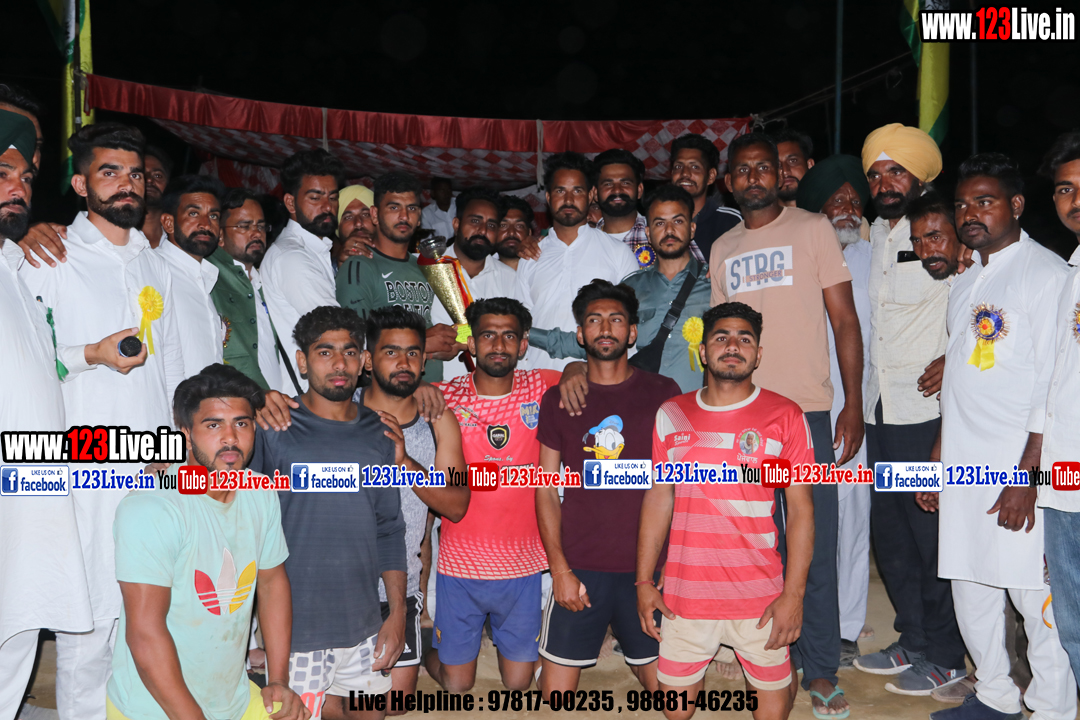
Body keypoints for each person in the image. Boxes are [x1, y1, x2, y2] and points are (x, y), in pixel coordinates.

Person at [20, 122, 186, 720]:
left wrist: (176, 455)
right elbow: (25, 361)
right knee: (87, 621)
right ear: (80, 183)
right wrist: (89, 355)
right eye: (109, 172)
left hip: (154, 465)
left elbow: (169, 367)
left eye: (135, 173)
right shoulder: (50, 256)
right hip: (84, 460)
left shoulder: (155, 264)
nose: (126, 184)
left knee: (146, 614)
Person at [710, 131, 863, 717]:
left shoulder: (813, 228)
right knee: (754, 543)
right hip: (742, 417)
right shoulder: (722, 248)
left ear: (779, 174)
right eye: (743, 170)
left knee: (812, 543)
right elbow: (721, 339)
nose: (754, 177)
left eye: (763, 167)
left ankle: (821, 666)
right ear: (730, 182)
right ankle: (768, 655)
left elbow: (844, 320)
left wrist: (851, 402)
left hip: (806, 413)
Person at [918, 154, 1075, 720]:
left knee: (1034, 594)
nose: (970, 214)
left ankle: (1053, 707)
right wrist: (939, 458)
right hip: (965, 464)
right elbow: (960, 379)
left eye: (984, 202)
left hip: (1018, 468)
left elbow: (1051, 386)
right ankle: (994, 695)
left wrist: (1027, 477)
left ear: (1017, 205)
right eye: (962, 204)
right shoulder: (966, 279)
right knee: (969, 579)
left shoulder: (1046, 274)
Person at [637, 302, 816, 720]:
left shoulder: (785, 415)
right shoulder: (672, 414)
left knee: (771, 714)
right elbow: (659, 497)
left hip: (760, 596)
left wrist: (793, 596)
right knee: (675, 712)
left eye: (744, 339)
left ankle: (779, 674)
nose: (732, 346)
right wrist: (644, 580)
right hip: (686, 595)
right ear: (703, 351)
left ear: (758, 354)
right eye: (721, 337)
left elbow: (801, 512)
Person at [106, 364, 307, 720]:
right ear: (186, 435)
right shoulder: (152, 508)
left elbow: (272, 583)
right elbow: (145, 633)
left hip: (232, 699)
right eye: (213, 425)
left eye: (241, 424)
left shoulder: (260, 494)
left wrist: (278, 680)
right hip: (155, 709)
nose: (230, 438)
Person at [853, 124, 968, 698]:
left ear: (920, 176)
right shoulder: (873, 234)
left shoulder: (948, 234)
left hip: (927, 413)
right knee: (893, 538)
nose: (885, 182)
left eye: (896, 171)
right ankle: (913, 639)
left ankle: (947, 655)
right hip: (879, 410)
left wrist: (957, 356)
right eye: (876, 173)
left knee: (931, 538)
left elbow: (981, 304)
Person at [248, 306, 408, 720]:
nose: (339, 364)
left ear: (364, 360)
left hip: (364, 624)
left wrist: (397, 613)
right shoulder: (273, 427)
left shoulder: (381, 432)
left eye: (350, 352)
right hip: (296, 631)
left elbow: (390, 528)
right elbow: (240, 518)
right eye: (324, 352)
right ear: (302, 361)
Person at [534, 279, 682, 696]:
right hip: (582, 566)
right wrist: (560, 570)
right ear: (580, 334)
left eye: (616, 320)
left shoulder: (664, 393)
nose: (604, 328)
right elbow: (545, 489)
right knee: (555, 699)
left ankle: (631, 647)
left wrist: (670, 565)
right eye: (594, 320)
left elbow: (674, 487)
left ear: (632, 333)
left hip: (646, 569)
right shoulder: (557, 400)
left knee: (676, 702)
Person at [0, 108, 93, 720]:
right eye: (3, 173)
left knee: (21, 634)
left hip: (31, 502)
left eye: (27, 177)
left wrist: (91, 354)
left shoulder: (17, 270)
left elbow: (36, 366)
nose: (19, 188)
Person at [421, 298, 559, 692]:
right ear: (471, 343)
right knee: (456, 685)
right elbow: (388, 389)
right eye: (487, 335)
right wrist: (418, 383)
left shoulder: (541, 385)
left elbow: (584, 371)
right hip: (460, 566)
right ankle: (427, 646)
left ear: (523, 344)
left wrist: (575, 371)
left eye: (509, 336)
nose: (498, 344)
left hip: (522, 566)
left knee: (518, 685)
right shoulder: (444, 395)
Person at [356, 307, 469, 710]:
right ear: (368, 360)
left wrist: (405, 462)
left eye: (413, 353)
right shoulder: (340, 409)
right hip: (338, 583)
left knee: (395, 705)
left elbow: (456, 506)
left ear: (424, 361)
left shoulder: (438, 422)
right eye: (391, 352)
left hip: (398, 588)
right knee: (343, 703)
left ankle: (421, 644)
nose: (403, 363)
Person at [795, 154, 874, 667]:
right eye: (836, 199)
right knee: (801, 517)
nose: (848, 207)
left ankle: (845, 628)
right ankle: (798, 622)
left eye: (853, 199)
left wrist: (855, 405)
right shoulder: (799, 252)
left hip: (853, 407)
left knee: (852, 518)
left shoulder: (873, 256)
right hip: (800, 407)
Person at [530, 184, 712, 393]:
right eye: (660, 223)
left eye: (678, 221)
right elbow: (595, 338)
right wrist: (522, 332)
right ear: (648, 233)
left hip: (696, 406)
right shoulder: (631, 288)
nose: (669, 230)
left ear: (692, 229)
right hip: (643, 405)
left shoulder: (714, 283)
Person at [336, 171, 464, 384]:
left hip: (433, 390)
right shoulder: (359, 266)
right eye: (394, 208)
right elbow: (355, 343)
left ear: (419, 216)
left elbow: (455, 327)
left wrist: (451, 343)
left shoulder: (425, 265)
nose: (404, 216)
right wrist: (422, 342)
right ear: (375, 214)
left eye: (412, 208)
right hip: (388, 395)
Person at [515, 152, 639, 370]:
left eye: (577, 191)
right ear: (548, 197)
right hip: (538, 376)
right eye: (560, 191)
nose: (569, 200)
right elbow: (520, 324)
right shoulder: (531, 256)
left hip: (598, 378)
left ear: (591, 195)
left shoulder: (618, 253)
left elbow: (631, 326)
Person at [1037, 130, 1080, 687]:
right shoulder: (1071, 273)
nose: (1076, 199)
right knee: (1073, 625)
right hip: (1063, 479)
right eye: (1066, 188)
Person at [259, 149, 346, 389]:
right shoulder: (292, 257)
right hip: (307, 398)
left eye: (333, 197)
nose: (327, 207)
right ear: (290, 202)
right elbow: (338, 331)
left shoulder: (315, 251)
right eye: (315, 198)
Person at [430, 187, 533, 380]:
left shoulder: (509, 278)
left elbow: (521, 334)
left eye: (491, 225)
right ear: (456, 224)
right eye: (475, 221)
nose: (483, 231)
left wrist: (462, 339)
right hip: (438, 390)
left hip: (497, 391)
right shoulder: (427, 268)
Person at [209, 187, 294, 394]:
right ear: (220, 235)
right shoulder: (209, 279)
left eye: (261, 226)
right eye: (244, 226)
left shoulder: (263, 280)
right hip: (238, 400)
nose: (256, 233)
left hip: (279, 402)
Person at [157, 174, 227, 378]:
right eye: (194, 213)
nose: (206, 224)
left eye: (213, 216)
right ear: (168, 223)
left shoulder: (206, 276)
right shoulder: (156, 271)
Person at [669, 133, 741, 262]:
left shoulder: (731, 222)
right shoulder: (656, 222)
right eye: (678, 166)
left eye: (695, 167)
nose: (684, 173)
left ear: (711, 176)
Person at [592, 148, 653, 269]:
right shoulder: (584, 241)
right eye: (608, 184)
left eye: (625, 183)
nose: (617, 190)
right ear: (595, 193)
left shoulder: (661, 233)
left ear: (639, 190)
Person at [333, 184, 377, 269]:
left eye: (366, 215)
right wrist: (342, 267)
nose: (358, 223)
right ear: (337, 227)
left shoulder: (400, 261)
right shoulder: (324, 270)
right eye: (348, 217)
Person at [773, 128, 816, 207]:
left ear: (810, 165)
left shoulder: (833, 210)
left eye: (792, 161)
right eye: (777, 165)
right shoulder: (758, 214)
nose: (785, 171)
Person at [142, 145, 173, 248]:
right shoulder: (112, 234)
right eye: (141, 174)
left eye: (158, 175)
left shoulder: (179, 239)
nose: (149, 180)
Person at [495, 195, 534, 270]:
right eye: (503, 225)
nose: (511, 232)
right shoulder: (479, 272)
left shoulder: (546, 267)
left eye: (519, 226)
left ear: (529, 233)